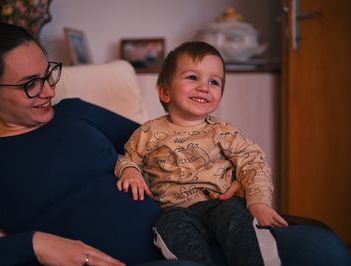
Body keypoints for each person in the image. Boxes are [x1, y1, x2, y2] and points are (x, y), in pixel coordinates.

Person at [0, 22, 206, 266]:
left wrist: (238, 172)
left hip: (180, 239)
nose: (49, 91)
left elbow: (162, 144)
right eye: (31, 84)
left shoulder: (74, 111)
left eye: (48, 74)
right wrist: (34, 245)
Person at [115, 41, 351, 266]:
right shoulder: (148, 132)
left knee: (235, 219)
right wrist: (130, 171)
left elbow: (254, 163)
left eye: (214, 82)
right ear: (165, 92)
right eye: (192, 77)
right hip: (176, 212)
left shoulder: (223, 131)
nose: (204, 87)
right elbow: (127, 157)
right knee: (167, 226)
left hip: (220, 203)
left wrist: (258, 202)